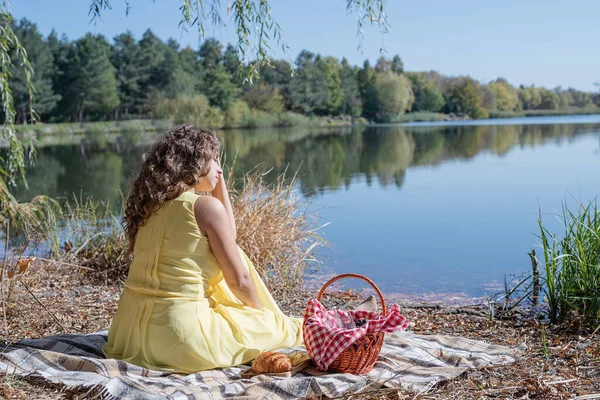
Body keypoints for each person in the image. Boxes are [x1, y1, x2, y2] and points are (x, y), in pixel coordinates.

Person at [102, 125, 303, 373]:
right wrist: (263, 318)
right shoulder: (204, 207)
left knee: (229, 258)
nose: (220, 169)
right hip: (179, 340)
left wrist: (217, 182)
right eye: (214, 159)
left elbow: (229, 236)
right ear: (193, 165)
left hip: (126, 335)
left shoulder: (150, 205)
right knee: (285, 327)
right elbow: (239, 281)